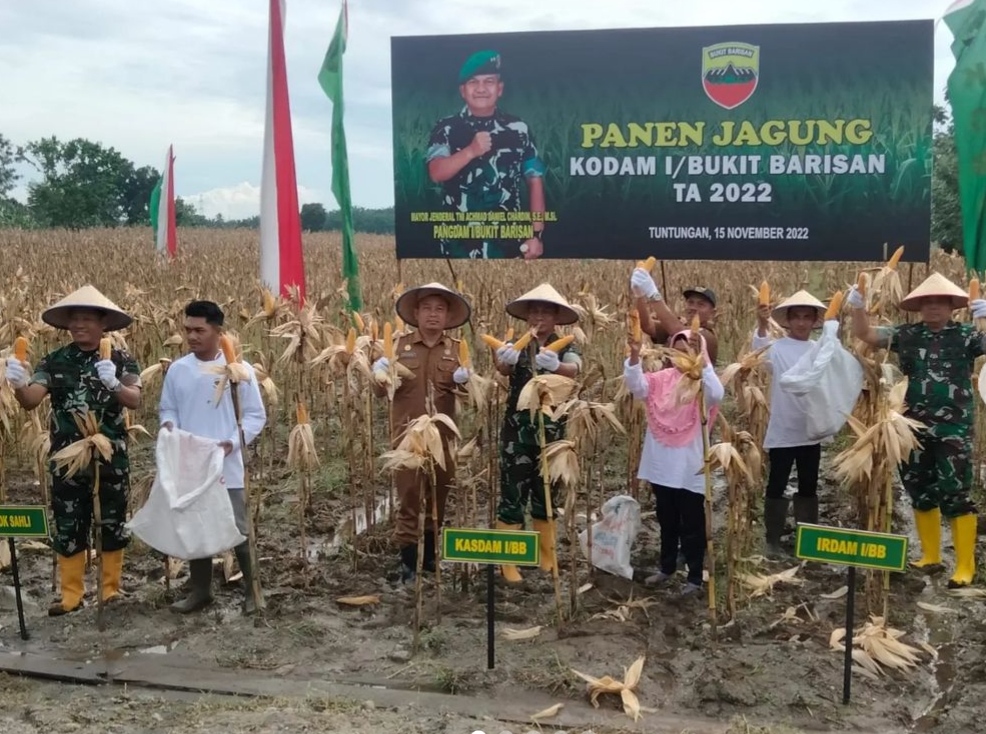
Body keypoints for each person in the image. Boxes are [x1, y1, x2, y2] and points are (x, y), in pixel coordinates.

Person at [4, 285, 141, 616]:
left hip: (110, 455)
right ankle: (71, 594)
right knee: (68, 522)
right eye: (74, 319)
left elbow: (135, 400)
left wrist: (114, 384)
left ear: (103, 323)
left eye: (87, 319)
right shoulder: (54, 361)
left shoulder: (121, 359)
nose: (79, 325)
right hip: (67, 456)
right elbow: (31, 401)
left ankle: (110, 590)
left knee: (111, 521)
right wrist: (18, 383)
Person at [850, 272, 984, 588]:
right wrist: (857, 306)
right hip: (912, 425)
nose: (933, 307)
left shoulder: (967, 335)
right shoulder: (906, 334)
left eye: (940, 302)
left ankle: (965, 566)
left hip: (953, 427)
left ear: (952, 306)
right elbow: (865, 333)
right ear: (919, 307)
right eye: (927, 302)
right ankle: (931, 556)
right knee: (919, 489)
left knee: (954, 491)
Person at [158, 300, 267, 614]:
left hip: (226, 463)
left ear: (218, 331)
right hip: (191, 460)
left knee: (239, 528)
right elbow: (168, 408)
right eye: (187, 330)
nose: (191, 336)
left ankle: (253, 592)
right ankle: (201, 591)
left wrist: (231, 444)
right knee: (196, 527)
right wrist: (169, 426)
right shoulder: (178, 370)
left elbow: (255, 416)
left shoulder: (240, 372)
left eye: (199, 330)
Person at [371, 283, 472, 582]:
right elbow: (380, 392)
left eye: (439, 309)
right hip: (407, 438)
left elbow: (469, 397)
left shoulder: (456, 351)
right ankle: (407, 564)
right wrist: (378, 373)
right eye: (427, 308)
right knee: (409, 498)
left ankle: (429, 559)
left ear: (448, 316)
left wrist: (465, 381)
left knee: (438, 497)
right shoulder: (397, 347)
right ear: (415, 313)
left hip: (443, 439)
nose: (433, 314)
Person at [493, 284, 582, 582]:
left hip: (552, 435)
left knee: (546, 495)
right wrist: (503, 358)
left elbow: (574, 368)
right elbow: (503, 368)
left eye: (545, 311)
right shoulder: (516, 344)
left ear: (556, 317)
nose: (539, 317)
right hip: (517, 434)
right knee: (512, 496)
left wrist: (556, 366)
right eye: (534, 311)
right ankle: (508, 562)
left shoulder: (566, 346)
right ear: (527, 315)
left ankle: (546, 557)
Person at [624, 329, 723, 595]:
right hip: (661, 463)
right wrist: (634, 355)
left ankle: (694, 577)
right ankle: (666, 567)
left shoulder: (702, 383)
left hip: (690, 466)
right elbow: (636, 386)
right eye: (676, 350)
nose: (682, 356)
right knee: (666, 519)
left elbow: (717, 394)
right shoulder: (660, 379)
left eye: (688, 350)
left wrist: (703, 363)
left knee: (692, 523)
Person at [426, 50, 547, 260]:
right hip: (458, 245)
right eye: (473, 82)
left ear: (499, 89)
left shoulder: (519, 128)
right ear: (463, 91)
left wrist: (536, 234)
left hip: (509, 245)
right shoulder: (446, 128)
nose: (481, 89)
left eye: (489, 81)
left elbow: (534, 180)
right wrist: (470, 151)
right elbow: (436, 172)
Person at [752, 290, 828, 555]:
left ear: (814, 321)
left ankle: (807, 540)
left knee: (809, 484)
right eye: (797, 317)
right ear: (788, 320)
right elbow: (758, 351)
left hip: (810, 430)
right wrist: (762, 323)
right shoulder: (777, 348)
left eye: (807, 317)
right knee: (777, 482)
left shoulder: (819, 350)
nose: (802, 323)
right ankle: (772, 540)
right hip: (783, 428)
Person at [630, 268, 719, 365]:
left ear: (712, 313)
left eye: (701, 304)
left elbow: (678, 331)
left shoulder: (707, 336)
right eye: (690, 302)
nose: (693, 308)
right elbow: (647, 325)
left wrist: (653, 293)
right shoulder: (680, 326)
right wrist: (639, 295)